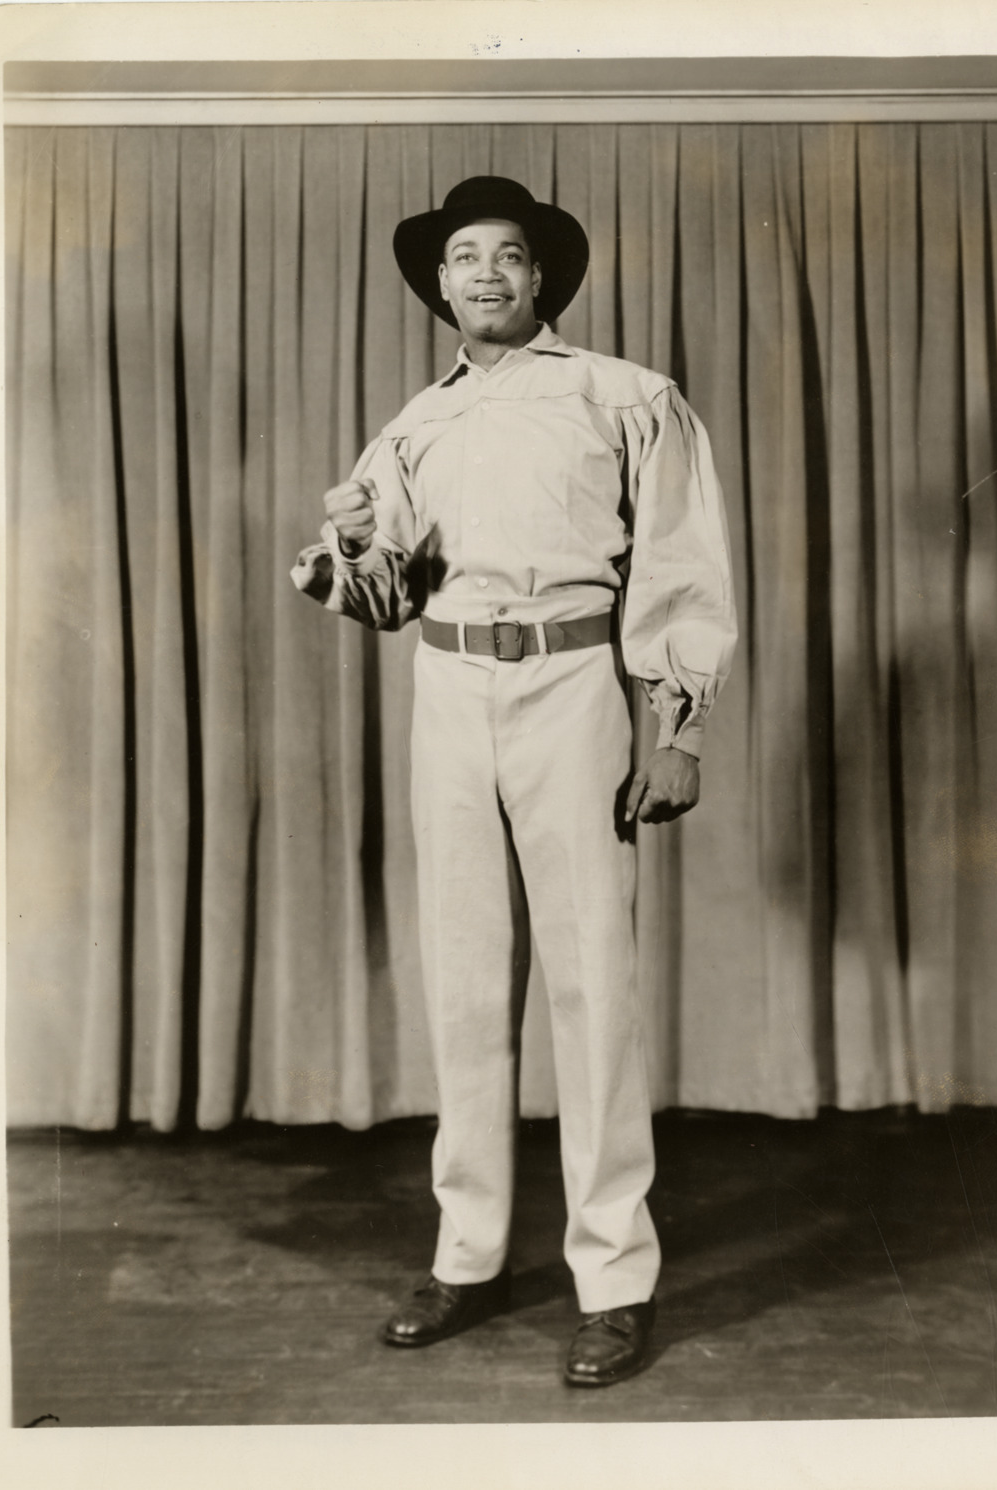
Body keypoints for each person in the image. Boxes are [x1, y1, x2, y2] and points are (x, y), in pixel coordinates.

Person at [291, 176, 736, 1387]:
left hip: (573, 686)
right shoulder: (413, 426)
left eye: (506, 255)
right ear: (439, 285)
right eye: (462, 257)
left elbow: (681, 567)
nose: (483, 273)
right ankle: (468, 1253)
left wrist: (677, 728)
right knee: (465, 981)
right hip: (447, 693)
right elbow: (384, 599)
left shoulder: (624, 396)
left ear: (540, 279)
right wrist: (352, 542)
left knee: (592, 986)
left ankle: (614, 1278)